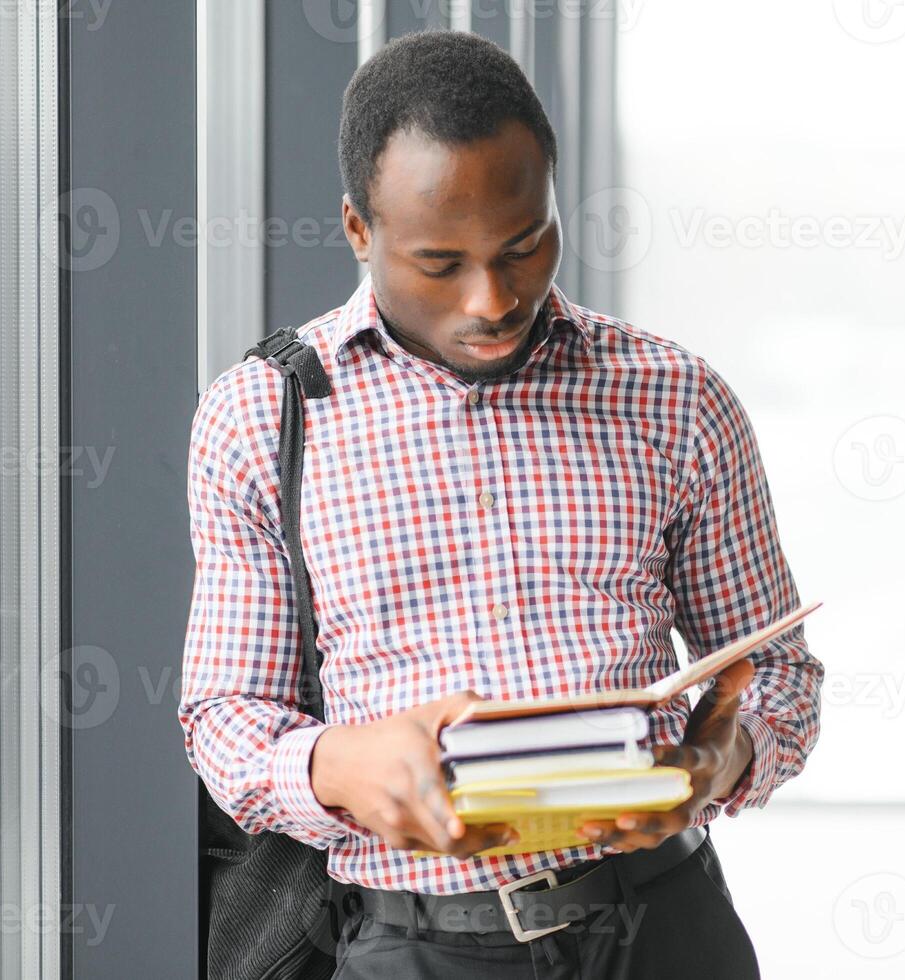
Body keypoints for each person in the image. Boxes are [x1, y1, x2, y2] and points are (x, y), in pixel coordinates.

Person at [179, 29, 823, 978]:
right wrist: (341, 765)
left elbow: (780, 676)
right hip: (411, 943)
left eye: (524, 247)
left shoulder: (676, 397)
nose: (491, 298)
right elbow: (225, 716)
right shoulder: (262, 415)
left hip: (660, 925)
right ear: (360, 230)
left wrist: (716, 766)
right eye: (441, 262)